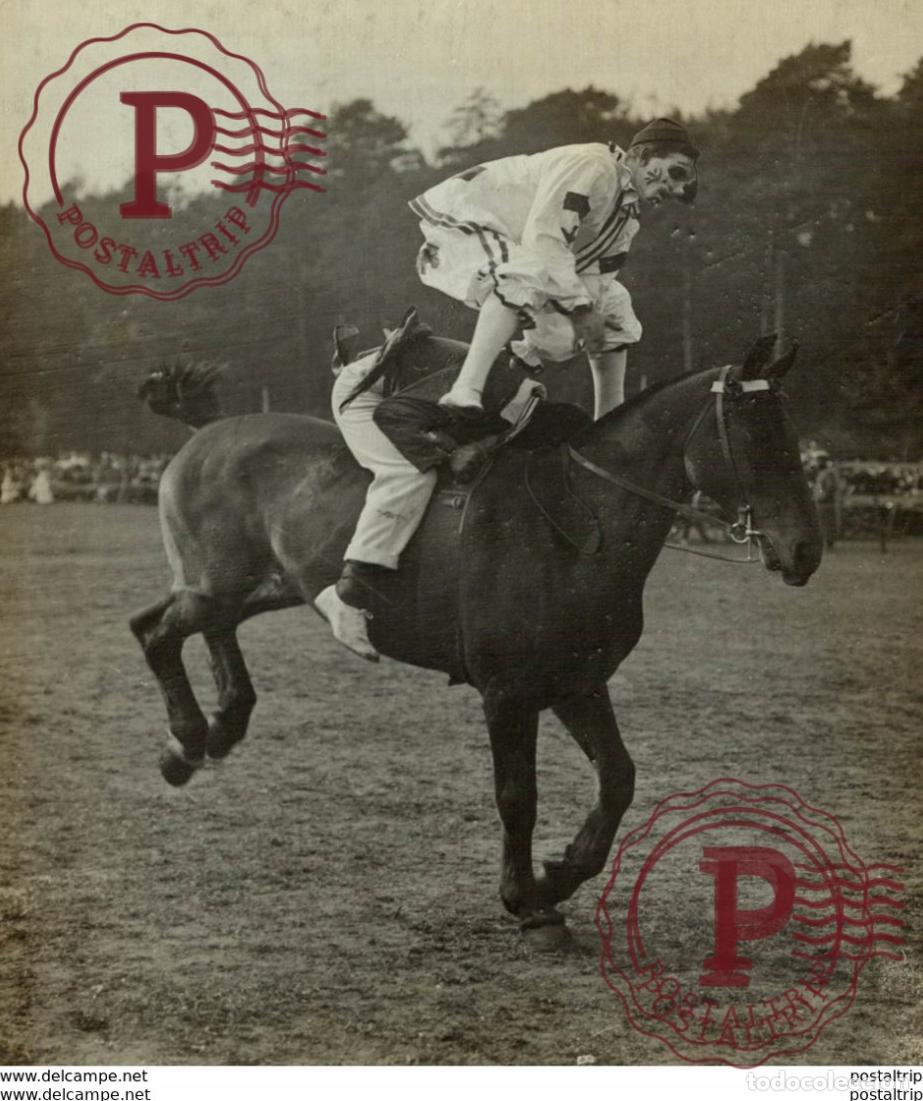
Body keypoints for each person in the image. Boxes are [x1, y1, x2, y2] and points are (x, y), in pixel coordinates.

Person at [315, 118, 700, 659]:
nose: (674, 188)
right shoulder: (593, 165)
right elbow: (545, 241)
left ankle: (607, 416)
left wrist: (586, 317)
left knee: (613, 306)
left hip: (504, 274)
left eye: (683, 185)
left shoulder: (624, 217)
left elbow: (591, 287)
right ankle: (346, 593)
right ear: (644, 154)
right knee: (407, 472)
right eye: (673, 173)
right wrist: (577, 312)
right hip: (444, 256)